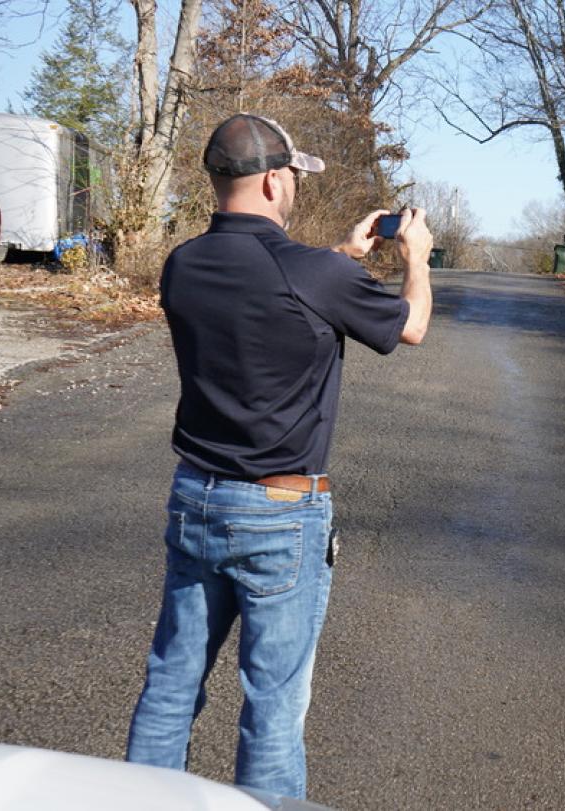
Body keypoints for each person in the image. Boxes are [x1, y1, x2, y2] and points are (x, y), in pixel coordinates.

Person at [125, 113, 433, 799]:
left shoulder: (183, 265)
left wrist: (341, 254)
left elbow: (270, 282)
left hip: (196, 496)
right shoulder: (311, 272)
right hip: (281, 510)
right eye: (293, 173)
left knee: (172, 682)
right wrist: (415, 258)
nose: (294, 184)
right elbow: (409, 325)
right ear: (271, 180)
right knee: (271, 706)